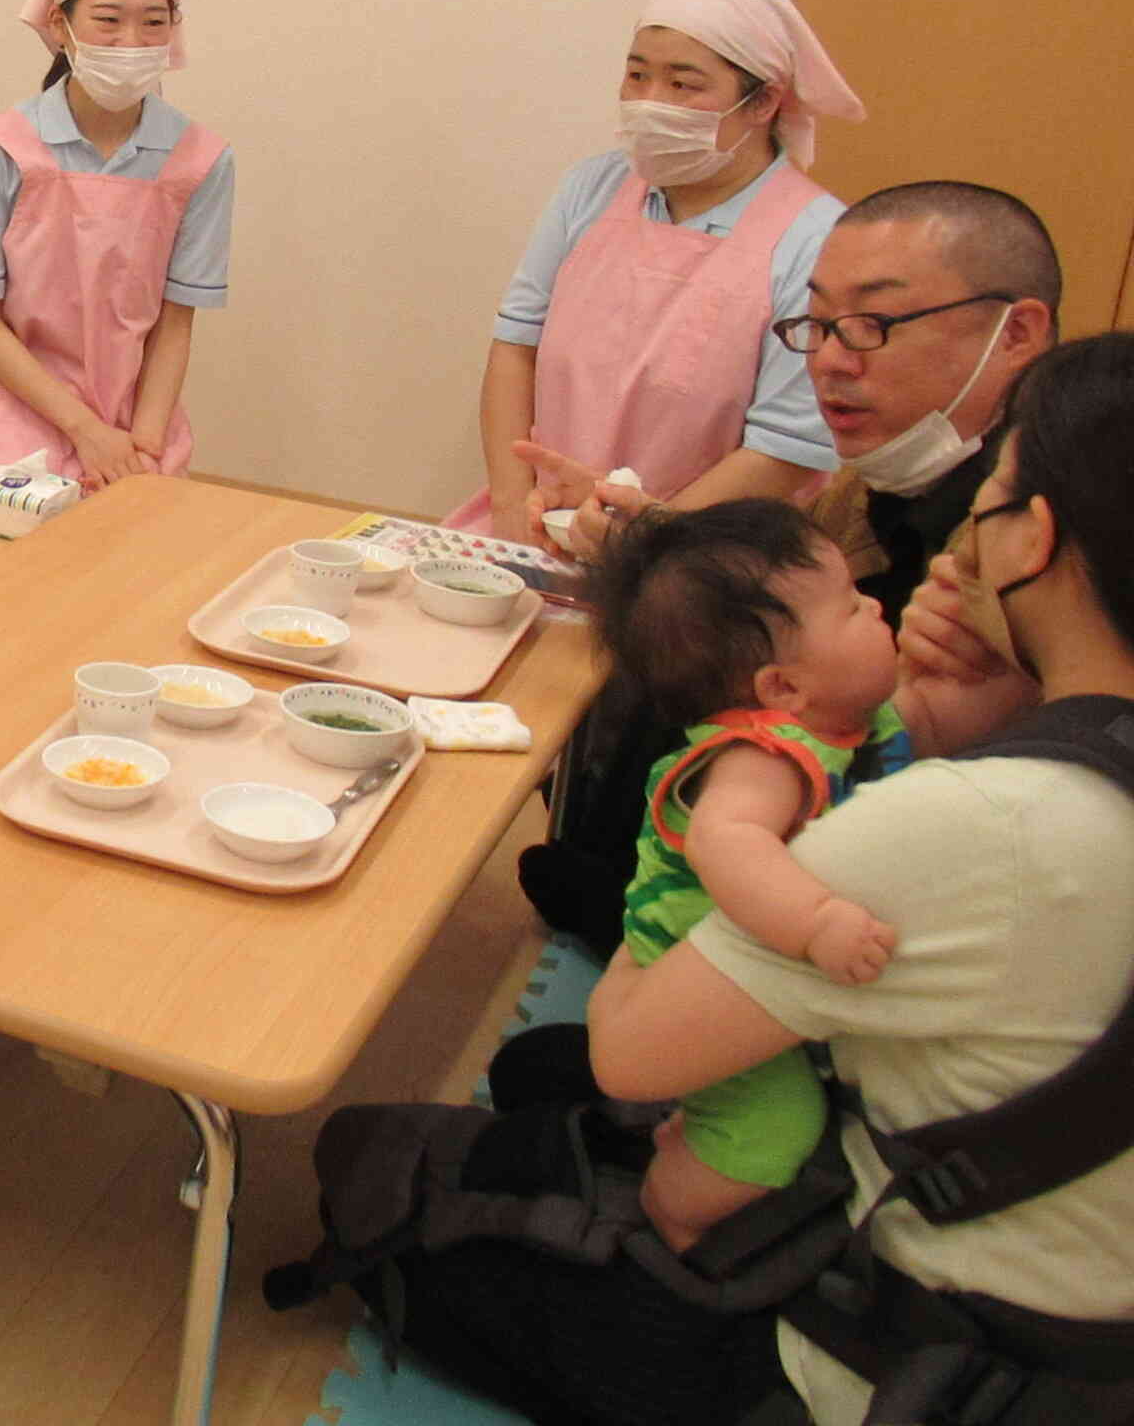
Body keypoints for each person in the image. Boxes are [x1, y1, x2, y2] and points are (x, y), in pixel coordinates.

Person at [341, 332, 1134, 1426]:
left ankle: (679, 1252)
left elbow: (632, 1053)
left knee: (373, 1165)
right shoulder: (1055, 758)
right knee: (535, 1069)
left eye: (986, 501)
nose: (950, 549)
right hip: (1059, 1282)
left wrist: (655, 932)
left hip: (926, 1350)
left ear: (1034, 538)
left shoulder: (975, 824)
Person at [513, 182, 1062, 952]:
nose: (832, 361)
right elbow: (786, 583)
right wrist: (639, 534)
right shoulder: (891, 466)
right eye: (821, 324)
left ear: (1016, 333)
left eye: (873, 324)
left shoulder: (1036, 517)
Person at [585, 502, 912, 1252]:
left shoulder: (847, 720)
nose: (878, 606)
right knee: (774, 1125)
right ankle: (671, 1218)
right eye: (854, 607)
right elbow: (722, 840)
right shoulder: (765, 758)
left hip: (745, 973)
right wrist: (816, 921)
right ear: (783, 689)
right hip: (686, 975)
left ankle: (691, 1131)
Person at [458, 0, 865, 545]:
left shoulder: (817, 239)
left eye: (683, 84)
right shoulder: (592, 189)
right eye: (638, 75)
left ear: (764, 101)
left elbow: (787, 446)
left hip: (706, 560)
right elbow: (515, 346)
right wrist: (510, 514)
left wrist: (642, 539)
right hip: (541, 528)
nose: (651, 102)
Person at [0, 0, 234, 489]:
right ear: (61, 23)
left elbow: (175, 324)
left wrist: (144, 445)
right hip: (15, 414)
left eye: (154, 22)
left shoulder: (201, 160)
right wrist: (84, 431)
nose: (132, 41)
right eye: (107, 20)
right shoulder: (0, 148)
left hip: (137, 422)